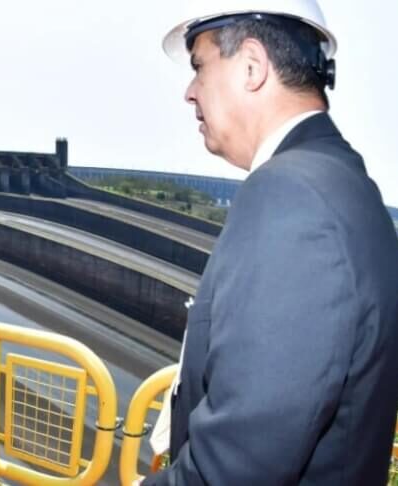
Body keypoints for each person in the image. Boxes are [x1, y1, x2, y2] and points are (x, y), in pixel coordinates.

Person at [143, 1, 398, 484]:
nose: (189, 92)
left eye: (199, 66)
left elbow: (235, 469)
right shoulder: (347, 182)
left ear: (252, 66)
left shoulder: (291, 196)